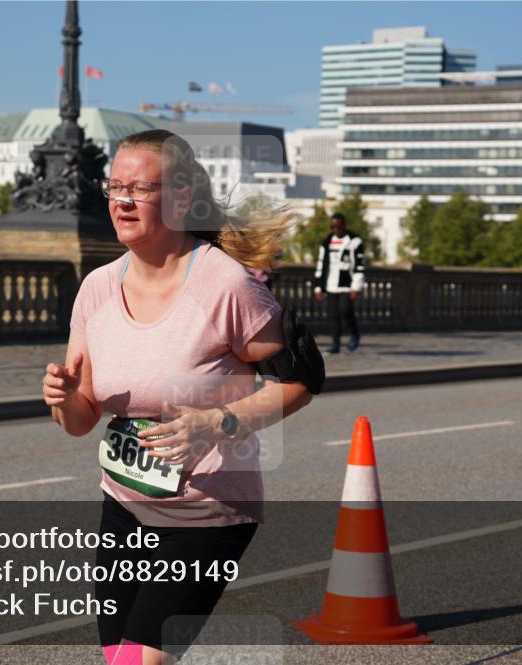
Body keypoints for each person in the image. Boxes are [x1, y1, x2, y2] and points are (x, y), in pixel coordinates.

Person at [42, 129, 313, 665]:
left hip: (207, 512)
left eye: (139, 188)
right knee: (119, 656)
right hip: (125, 503)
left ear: (182, 198)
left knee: (140, 661)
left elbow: (301, 382)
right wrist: (63, 396)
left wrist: (216, 424)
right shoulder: (97, 287)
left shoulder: (225, 285)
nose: (122, 200)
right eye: (113, 185)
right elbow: (80, 421)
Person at [314, 212, 365, 353]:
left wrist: (356, 286)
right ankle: (335, 344)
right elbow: (320, 266)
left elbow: (360, 266)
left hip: (347, 285)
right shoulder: (326, 243)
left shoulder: (355, 241)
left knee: (345, 310)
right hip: (330, 285)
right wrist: (318, 287)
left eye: (338, 226)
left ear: (343, 225)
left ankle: (354, 334)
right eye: (333, 226)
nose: (335, 229)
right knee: (333, 315)